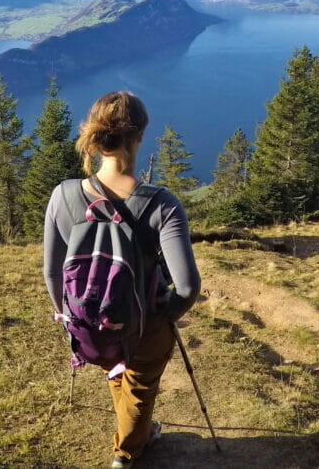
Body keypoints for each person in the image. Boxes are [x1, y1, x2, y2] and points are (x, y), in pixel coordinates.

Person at [43, 90, 201, 469]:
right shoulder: (161, 204)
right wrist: (164, 311)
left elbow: (52, 270)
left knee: (119, 371)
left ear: (96, 137)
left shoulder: (63, 196)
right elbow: (188, 286)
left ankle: (136, 430)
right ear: (138, 137)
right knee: (141, 386)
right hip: (143, 320)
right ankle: (126, 453)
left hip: (91, 322)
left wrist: (72, 316)